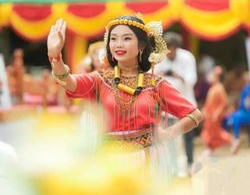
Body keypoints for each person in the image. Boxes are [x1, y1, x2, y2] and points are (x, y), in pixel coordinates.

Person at [47, 16, 202, 177]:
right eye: (113, 39)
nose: (118, 44)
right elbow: (67, 81)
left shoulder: (156, 84)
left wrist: (169, 133)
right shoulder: (99, 80)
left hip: (147, 162)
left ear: (141, 44)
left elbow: (194, 114)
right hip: (108, 162)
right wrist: (55, 56)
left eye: (126, 38)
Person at [155, 32, 198, 175]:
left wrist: (175, 75)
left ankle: (190, 163)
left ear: (176, 47)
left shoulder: (187, 57)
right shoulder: (159, 59)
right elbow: (153, 79)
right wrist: (162, 75)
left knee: (188, 136)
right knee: (169, 136)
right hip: (167, 104)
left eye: (170, 48)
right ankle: (173, 166)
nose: (168, 52)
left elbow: (192, 80)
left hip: (186, 101)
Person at [201, 65, 231, 156]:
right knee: (209, 132)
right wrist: (204, 110)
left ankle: (232, 141)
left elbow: (224, 102)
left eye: (213, 75)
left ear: (217, 77)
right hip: (209, 115)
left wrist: (217, 113)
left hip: (214, 116)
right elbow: (208, 102)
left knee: (216, 133)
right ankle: (210, 149)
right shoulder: (213, 88)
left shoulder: (219, 88)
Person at [225, 79, 250, 154]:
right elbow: (243, 105)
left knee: (235, 117)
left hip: (246, 113)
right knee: (230, 117)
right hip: (244, 112)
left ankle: (235, 141)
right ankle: (235, 140)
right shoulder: (246, 89)